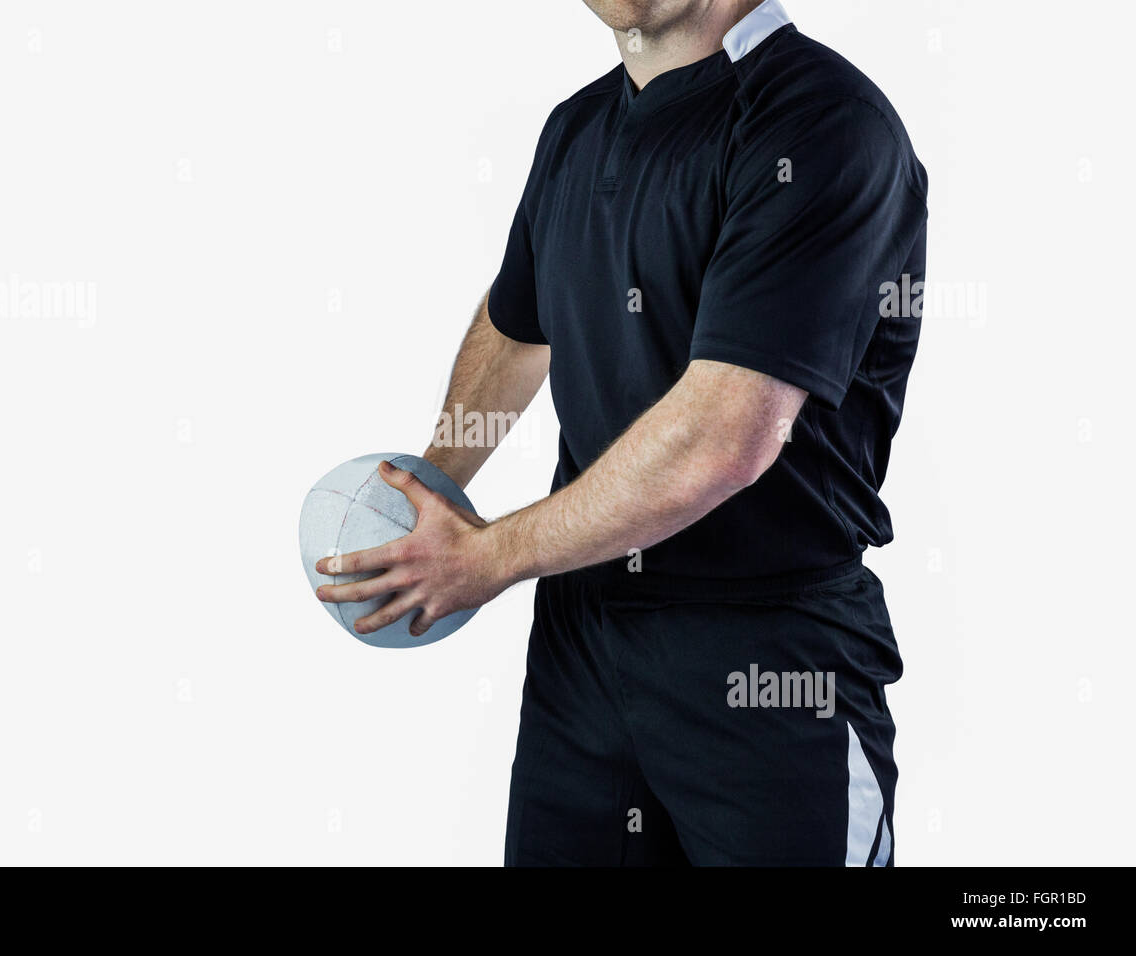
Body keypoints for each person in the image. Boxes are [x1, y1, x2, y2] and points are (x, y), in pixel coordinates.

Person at [316, 0, 927, 866]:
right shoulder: (577, 130)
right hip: (582, 650)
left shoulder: (823, 125)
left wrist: (486, 557)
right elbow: (520, 325)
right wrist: (427, 493)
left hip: (769, 659)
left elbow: (726, 435)